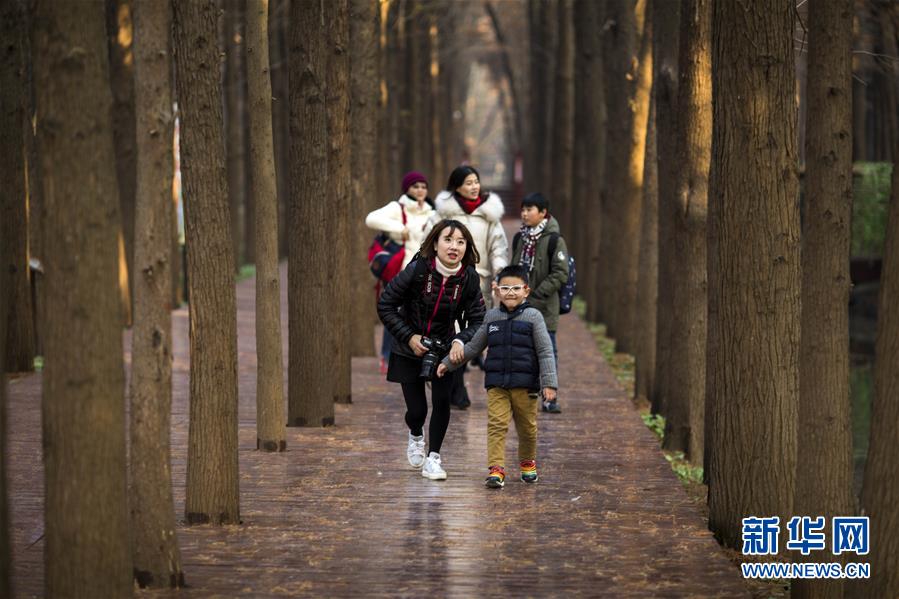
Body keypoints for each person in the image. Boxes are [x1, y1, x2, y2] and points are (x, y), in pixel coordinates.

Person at [377, 219, 486, 480]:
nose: (454, 247)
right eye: (448, 240)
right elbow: (386, 305)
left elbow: (479, 320)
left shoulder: (469, 277)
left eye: (461, 242)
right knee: (417, 411)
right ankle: (416, 434)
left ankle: (433, 458)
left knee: (441, 402)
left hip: (446, 348)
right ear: (435, 243)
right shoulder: (417, 270)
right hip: (408, 347)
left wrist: (461, 341)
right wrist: (410, 337)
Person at [436, 265, 557, 488]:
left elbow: (545, 351)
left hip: (525, 385)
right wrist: (447, 363)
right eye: (505, 288)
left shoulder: (534, 317)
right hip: (497, 384)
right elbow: (473, 347)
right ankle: (496, 469)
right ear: (497, 291)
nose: (510, 292)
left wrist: (549, 383)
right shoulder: (491, 317)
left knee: (527, 428)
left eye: (516, 288)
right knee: (496, 425)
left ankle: (528, 462)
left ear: (526, 291)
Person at [427, 165, 509, 407]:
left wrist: (500, 273)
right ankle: (456, 386)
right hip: (447, 280)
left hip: (479, 282)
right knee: (450, 332)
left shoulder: (489, 214)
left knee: (471, 332)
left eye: (477, 181)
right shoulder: (443, 214)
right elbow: (429, 242)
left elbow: (499, 247)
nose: (475, 187)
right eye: (469, 183)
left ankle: (455, 383)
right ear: (457, 187)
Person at [365, 171, 435, 373]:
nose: (420, 190)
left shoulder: (431, 212)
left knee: (419, 314)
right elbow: (371, 219)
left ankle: (417, 354)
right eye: (415, 186)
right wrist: (399, 227)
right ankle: (387, 356)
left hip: (423, 271)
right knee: (394, 313)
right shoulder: (398, 207)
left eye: (423, 186)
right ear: (407, 189)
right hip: (399, 271)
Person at [510, 192, 569, 413]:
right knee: (521, 351)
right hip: (519, 306)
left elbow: (560, 274)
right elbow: (513, 268)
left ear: (543, 213)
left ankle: (549, 397)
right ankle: (523, 396)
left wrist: (535, 294)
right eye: (523, 209)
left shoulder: (555, 240)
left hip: (544, 307)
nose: (524, 214)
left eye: (530, 210)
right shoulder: (520, 238)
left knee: (547, 351)